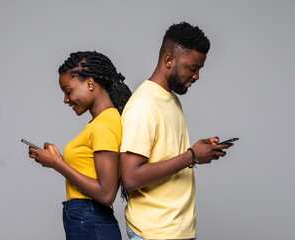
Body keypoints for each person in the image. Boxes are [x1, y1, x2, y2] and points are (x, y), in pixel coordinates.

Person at [120, 22, 233, 240]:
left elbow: (168, 154)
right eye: (193, 68)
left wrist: (198, 152)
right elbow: (130, 177)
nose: (197, 76)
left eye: (199, 69)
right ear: (169, 60)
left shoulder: (170, 99)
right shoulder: (143, 105)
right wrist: (192, 156)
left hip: (178, 230)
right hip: (155, 233)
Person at [28, 51, 132, 240]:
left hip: (90, 220)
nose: (66, 100)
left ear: (90, 83)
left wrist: (57, 163)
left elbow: (106, 193)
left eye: (68, 91)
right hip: (90, 220)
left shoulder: (104, 125)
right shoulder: (103, 122)